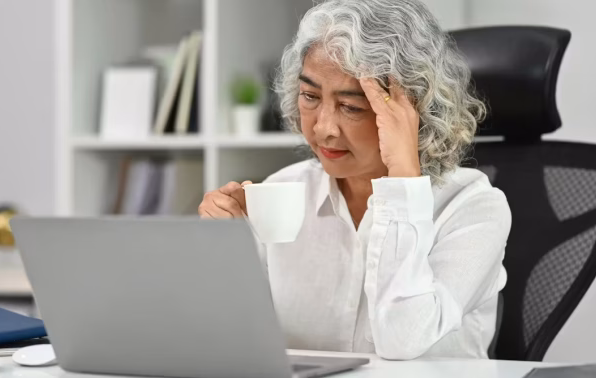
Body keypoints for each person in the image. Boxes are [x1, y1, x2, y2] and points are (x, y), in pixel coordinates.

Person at [198, 0, 511, 360]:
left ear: (413, 111)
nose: (323, 128)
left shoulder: (474, 207)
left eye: (352, 106)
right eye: (310, 97)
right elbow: (236, 343)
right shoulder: (282, 191)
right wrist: (224, 251)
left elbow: (403, 341)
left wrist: (403, 179)